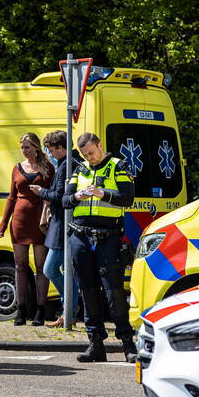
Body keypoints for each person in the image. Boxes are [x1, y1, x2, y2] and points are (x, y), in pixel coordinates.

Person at [62, 132, 138, 363]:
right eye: (85, 155)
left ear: (100, 145)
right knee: (88, 290)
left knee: (113, 290)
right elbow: (65, 201)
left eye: (92, 153)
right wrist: (77, 195)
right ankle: (95, 343)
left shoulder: (118, 166)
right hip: (81, 236)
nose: (90, 158)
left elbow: (127, 198)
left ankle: (127, 344)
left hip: (109, 237)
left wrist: (101, 193)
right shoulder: (79, 169)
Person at [0, 132, 54, 326]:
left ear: (36, 147)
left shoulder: (48, 168)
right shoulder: (17, 168)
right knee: (20, 266)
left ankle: (40, 309)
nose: (24, 151)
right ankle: (20, 310)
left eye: (27, 147)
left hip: (39, 221)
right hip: (19, 220)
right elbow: (11, 197)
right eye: (22, 147)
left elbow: (54, 193)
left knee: (41, 267)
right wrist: (3, 224)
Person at [30, 131, 74, 328]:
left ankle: (69, 309)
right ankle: (68, 311)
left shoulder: (66, 165)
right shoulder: (67, 163)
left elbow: (60, 195)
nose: (50, 153)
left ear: (60, 147)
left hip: (62, 225)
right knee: (65, 271)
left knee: (50, 269)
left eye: (51, 149)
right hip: (61, 224)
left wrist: (42, 192)